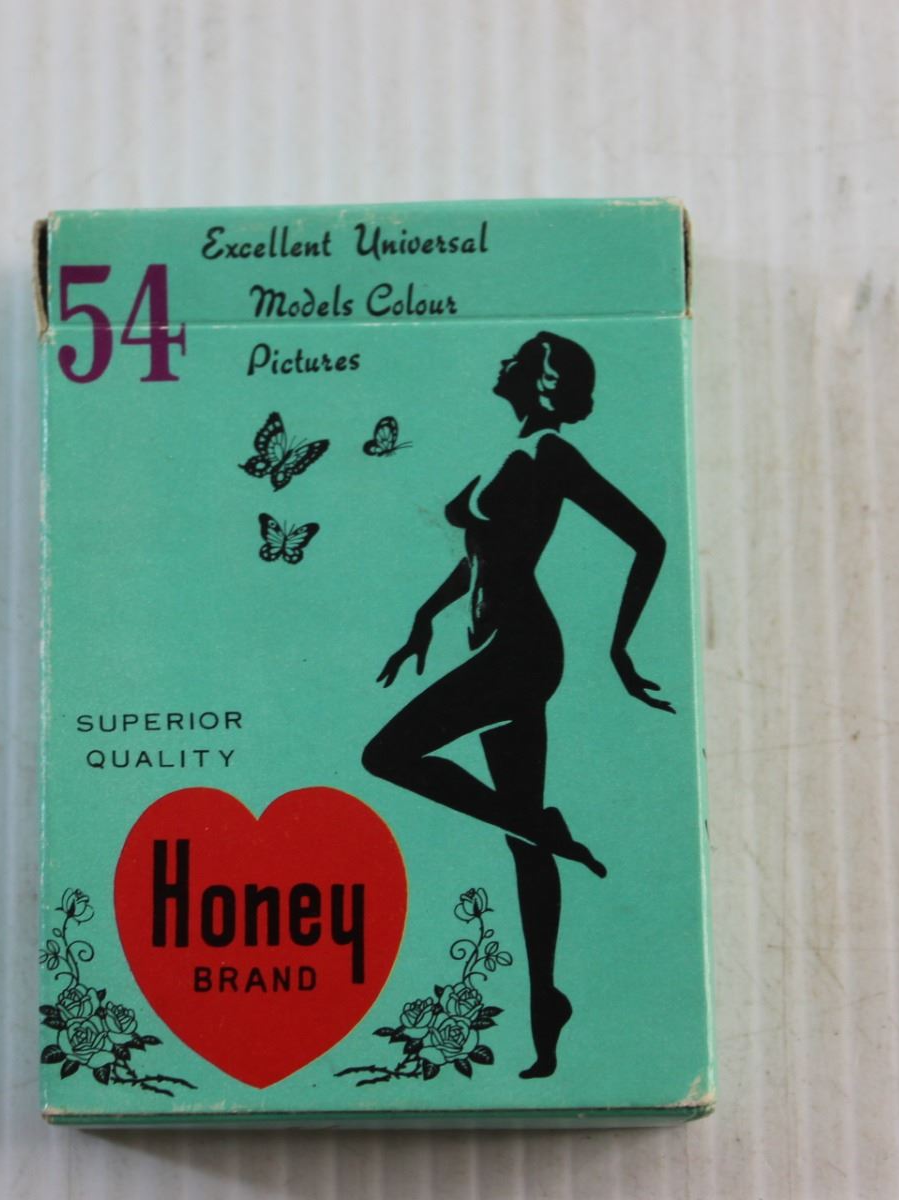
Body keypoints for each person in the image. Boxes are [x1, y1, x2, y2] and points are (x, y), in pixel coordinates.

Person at [361, 331, 674, 1078]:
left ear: (539, 379)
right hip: (496, 649)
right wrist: (426, 616)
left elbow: (649, 540)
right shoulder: (511, 452)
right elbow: (482, 556)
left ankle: (543, 827)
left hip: (522, 653)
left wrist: (619, 649)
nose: (501, 361)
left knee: (387, 755)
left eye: (518, 356)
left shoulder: (552, 455)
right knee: (522, 843)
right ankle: (546, 1006)